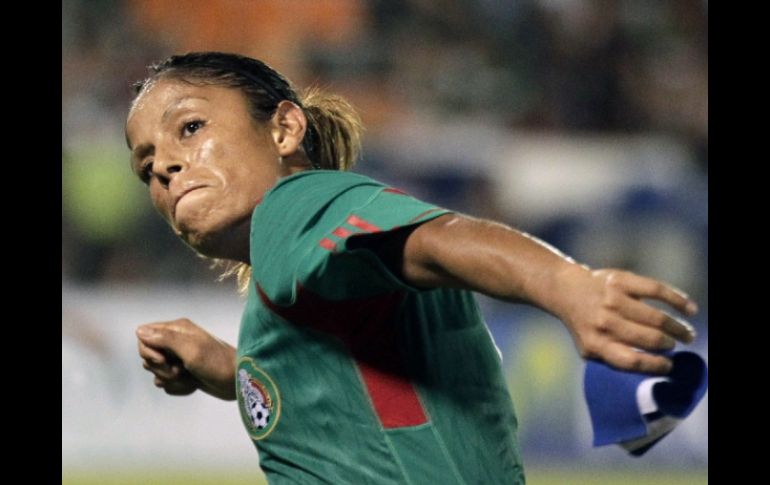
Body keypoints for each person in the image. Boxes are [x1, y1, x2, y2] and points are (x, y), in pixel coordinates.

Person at [127, 52, 698, 484]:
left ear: (284, 129)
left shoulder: (292, 207)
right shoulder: (299, 273)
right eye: (146, 166)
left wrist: (567, 284)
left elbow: (436, 240)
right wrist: (237, 372)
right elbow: (360, 396)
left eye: (191, 127)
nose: (166, 166)